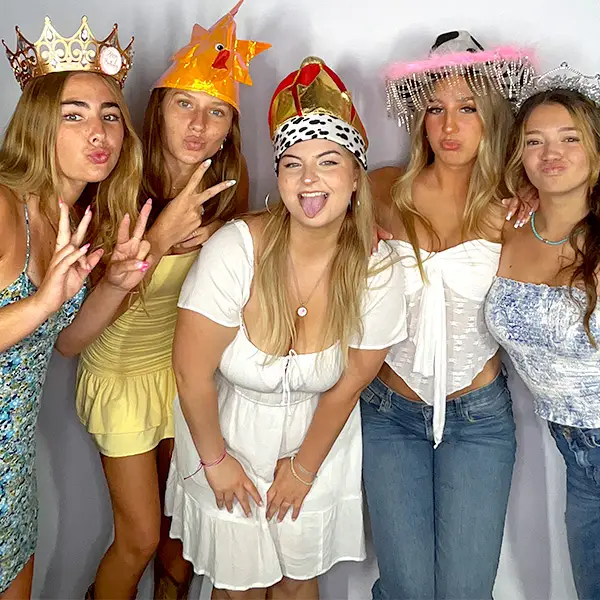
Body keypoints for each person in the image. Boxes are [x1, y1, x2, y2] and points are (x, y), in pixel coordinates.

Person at [165, 56, 406, 599]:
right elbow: (191, 372)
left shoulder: (379, 268)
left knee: (299, 583)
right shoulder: (237, 249)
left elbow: (350, 383)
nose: (310, 179)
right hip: (223, 433)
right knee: (238, 589)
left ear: (354, 177)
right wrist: (216, 462)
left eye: (327, 161)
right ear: (279, 177)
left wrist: (302, 468)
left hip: (319, 438)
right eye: (293, 164)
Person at [75, 3, 270, 598]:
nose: (198, 125)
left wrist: (364, 224)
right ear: (156, 108)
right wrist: (159, 240)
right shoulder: (109, 188)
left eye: (216, 112)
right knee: (137, 539)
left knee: (180, 546)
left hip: (186, 382)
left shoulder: (226, 199)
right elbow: (80, 325)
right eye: (184, 103)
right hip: (123, 379)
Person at [361, 31, 535, 599]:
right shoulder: (384, 188)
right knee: (406, 590)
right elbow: (302, 205)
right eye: (436, 108)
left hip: (478, 418)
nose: (450, 125)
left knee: (465, 592)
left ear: (491, 116)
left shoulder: (515, 203)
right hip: (390, 412)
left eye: (467, 108)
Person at [0, 16, 147, 599]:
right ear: (38, 126)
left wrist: (116, 282)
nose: (99, 133)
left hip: (11, 468)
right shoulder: (6, 207)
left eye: (111, 115)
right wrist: (42, 301)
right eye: (75, 114)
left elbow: (63, 342)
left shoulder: (74, 225)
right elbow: (40, 315)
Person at [485, 65, 600, 600]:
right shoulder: (508, 224)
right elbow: (392, 185)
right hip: (575, 451)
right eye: (536, 141)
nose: (551, 153)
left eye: (569, 138)